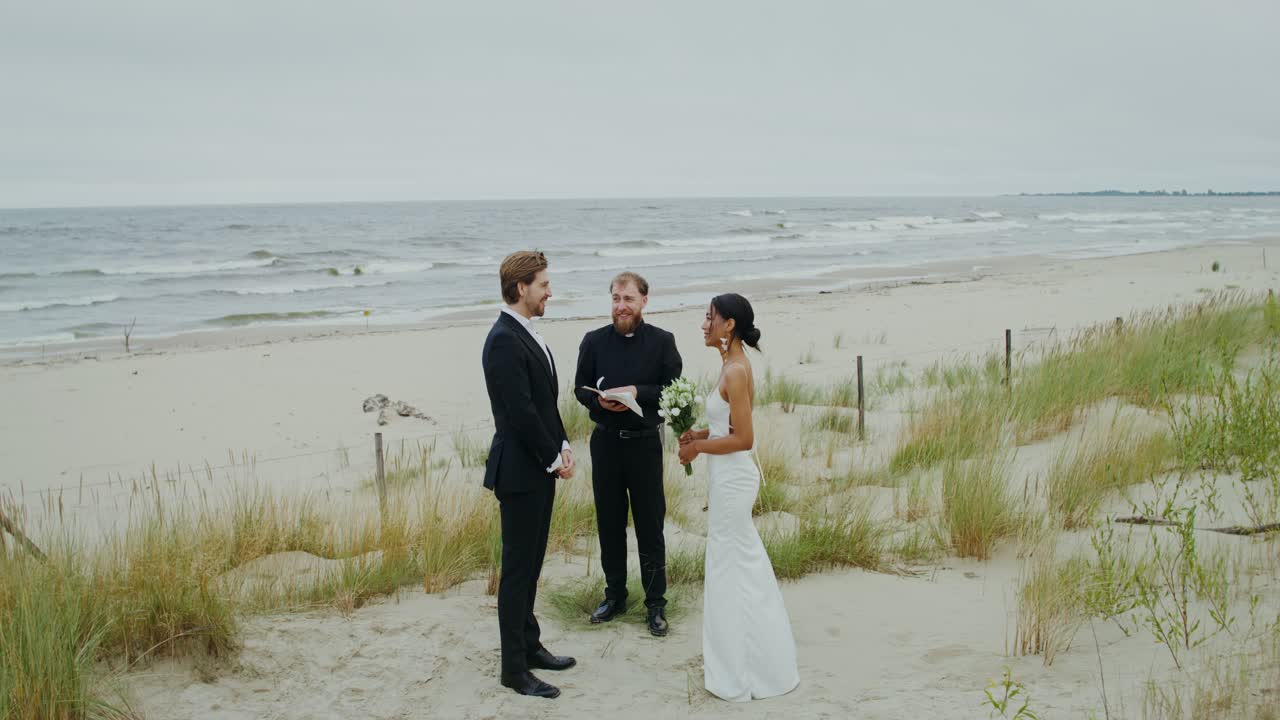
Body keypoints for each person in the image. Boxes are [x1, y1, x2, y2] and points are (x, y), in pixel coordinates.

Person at [678, 293, 800, 702]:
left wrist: (698, 449)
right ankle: (740, 659)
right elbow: (726, 427)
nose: (704, 324)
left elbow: (745, 438)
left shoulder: (735, 370)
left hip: (733, 480)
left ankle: (748, 669)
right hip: (725, 476)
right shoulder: (730, 364)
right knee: (734, 565)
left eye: (709, 317)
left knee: (733, 566)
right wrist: (698, 434)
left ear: (728, 325)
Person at [480, 250, 577, 699]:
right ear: (521, 288)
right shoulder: (503, 340)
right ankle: (514, 669)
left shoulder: (527, 333)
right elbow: (519, 413)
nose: (549, 292)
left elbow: (544, 405)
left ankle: (531, 646)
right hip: (519, 473)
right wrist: (552, 458)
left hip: (539, 467)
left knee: (532, 566)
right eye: (544, 285)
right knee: (518, 572)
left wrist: (563, 445)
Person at [573, 271, 682, 636]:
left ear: (644, 301)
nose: (621, 306)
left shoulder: (663, 342)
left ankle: (655, 604)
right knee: (609, 523)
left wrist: (637, 392)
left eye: (628, 299)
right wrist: (599, 401)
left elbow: (672, 388)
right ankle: (615, 597)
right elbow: (580, 388)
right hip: (605, 443)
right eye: (616, 299)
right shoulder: (593, 341)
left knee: (650, 525)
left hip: (645, 444)